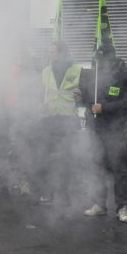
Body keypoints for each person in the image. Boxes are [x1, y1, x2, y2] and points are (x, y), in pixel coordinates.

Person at [76, 42, 127, 222]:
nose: (99, 62)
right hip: (96, 128)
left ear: (111, 58)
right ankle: (99, 204)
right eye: (97, 58)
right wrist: (80, 98)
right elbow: (88, 101)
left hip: (116, 130)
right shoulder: (93, 76)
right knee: (96, 167)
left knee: (119, 169)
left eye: (102, 59)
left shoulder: (126, 76)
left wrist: (105, 107)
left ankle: (123, 206)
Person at [36, 41, 82, 205]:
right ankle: (47, 192)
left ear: (62, 53)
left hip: (68, 120)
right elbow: (42, 93)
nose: (50, 55)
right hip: (49, 120)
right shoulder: (46, 71)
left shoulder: (77, 70)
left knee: (66, 159)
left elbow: (86, 94)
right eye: (49, 52)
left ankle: (64, 194)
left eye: (53, 52)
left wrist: (81, 96)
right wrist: (40, 106)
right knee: (46, 158)